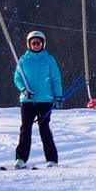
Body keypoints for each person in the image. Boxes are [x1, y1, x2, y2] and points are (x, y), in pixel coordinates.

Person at [12, 30, 63, 168]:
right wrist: (24, 90)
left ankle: (52, 160)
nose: (35, 45)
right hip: (27, 100)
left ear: (43, 44)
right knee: (25, 128)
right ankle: (21, 159)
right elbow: (17, 78)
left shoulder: (49, 60)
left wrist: (58, 96)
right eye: (33, 43)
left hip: (45, 100)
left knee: (44, 129)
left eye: (38, 43)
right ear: (29, 44)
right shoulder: (23, 60)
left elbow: (56, 79)